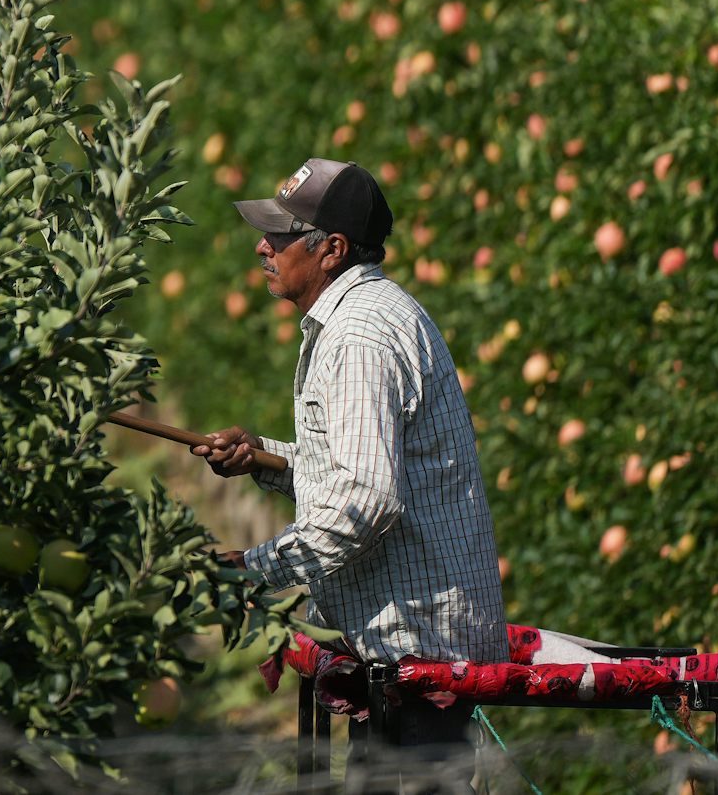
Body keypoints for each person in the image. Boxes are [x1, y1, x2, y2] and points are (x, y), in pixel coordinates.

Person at [191, 157, 509, 768]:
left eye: (280, 236)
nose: (263, 247)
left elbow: (366, 502)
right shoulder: (355, 321)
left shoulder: (360, 337)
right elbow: (352, 473)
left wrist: (257, 568)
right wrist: (260, 457)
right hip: (398, 652)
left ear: (331, 249)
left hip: (421, 655)